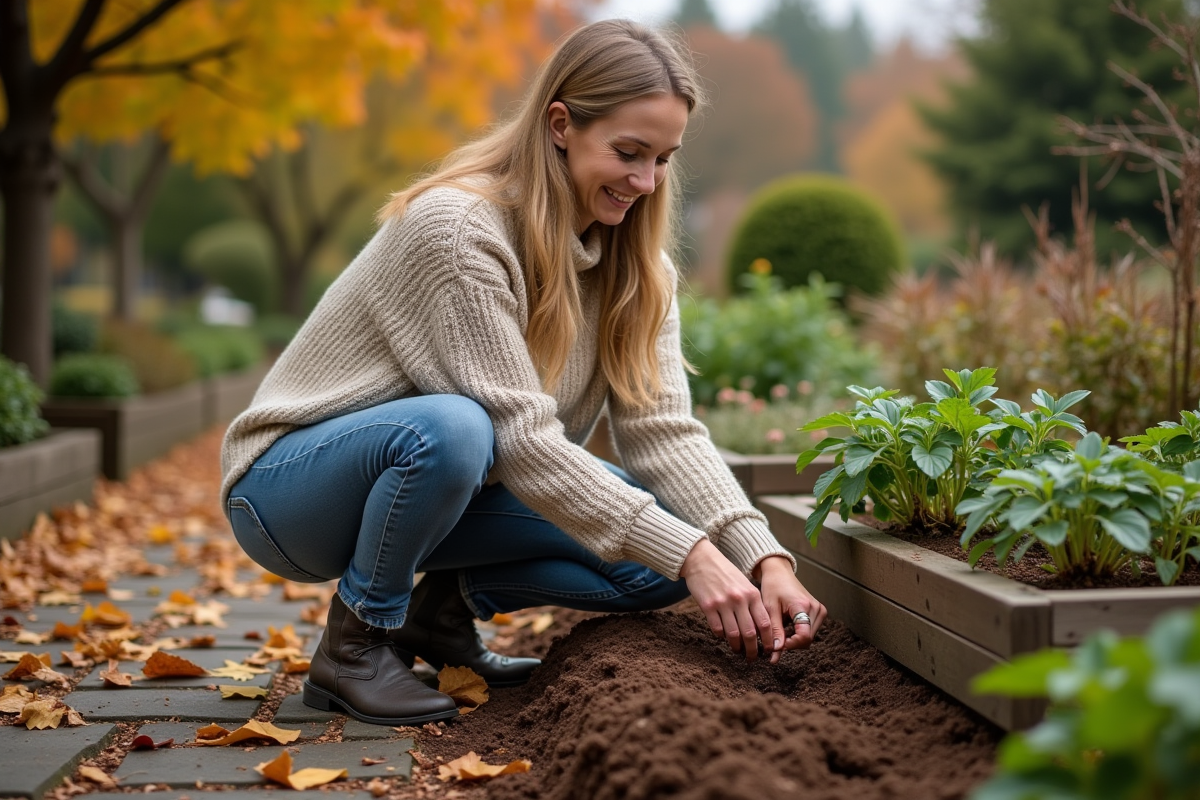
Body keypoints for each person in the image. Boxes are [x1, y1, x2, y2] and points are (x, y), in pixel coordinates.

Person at [220, 18, 827, 727]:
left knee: (652, 560)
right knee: (454, 428)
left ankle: (437, 616)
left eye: (663, 158)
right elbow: (523, 442)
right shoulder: (458, 230)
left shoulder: (639, 269)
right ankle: (356, 645)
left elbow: (665, 433)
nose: (645, 181)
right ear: (561, 124)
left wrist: (759, 559)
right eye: (629, 152)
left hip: (446, 486)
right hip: (290, 492)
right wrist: (694, 553)